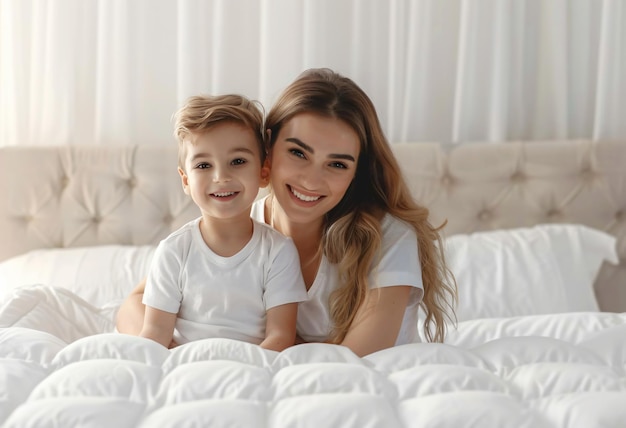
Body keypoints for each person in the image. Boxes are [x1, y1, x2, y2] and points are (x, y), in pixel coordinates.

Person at [118, 68, 457, 357]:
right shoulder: (238, 227)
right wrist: (179, 357)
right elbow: (133, 306)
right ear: (268, 151)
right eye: (298, 153)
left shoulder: (388, 237)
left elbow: (354, 361)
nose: (312, 180)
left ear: (358, 171)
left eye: (337, 164)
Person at [138, 94, 307, 352]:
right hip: (187, 366)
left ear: (263, 173)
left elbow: (281, 336)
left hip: (253, 367)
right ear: (185, 181)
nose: (221, 177)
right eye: (204, 165)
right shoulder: (173, 251)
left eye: (237, 161)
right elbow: (155, 334)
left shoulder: (278, 252)